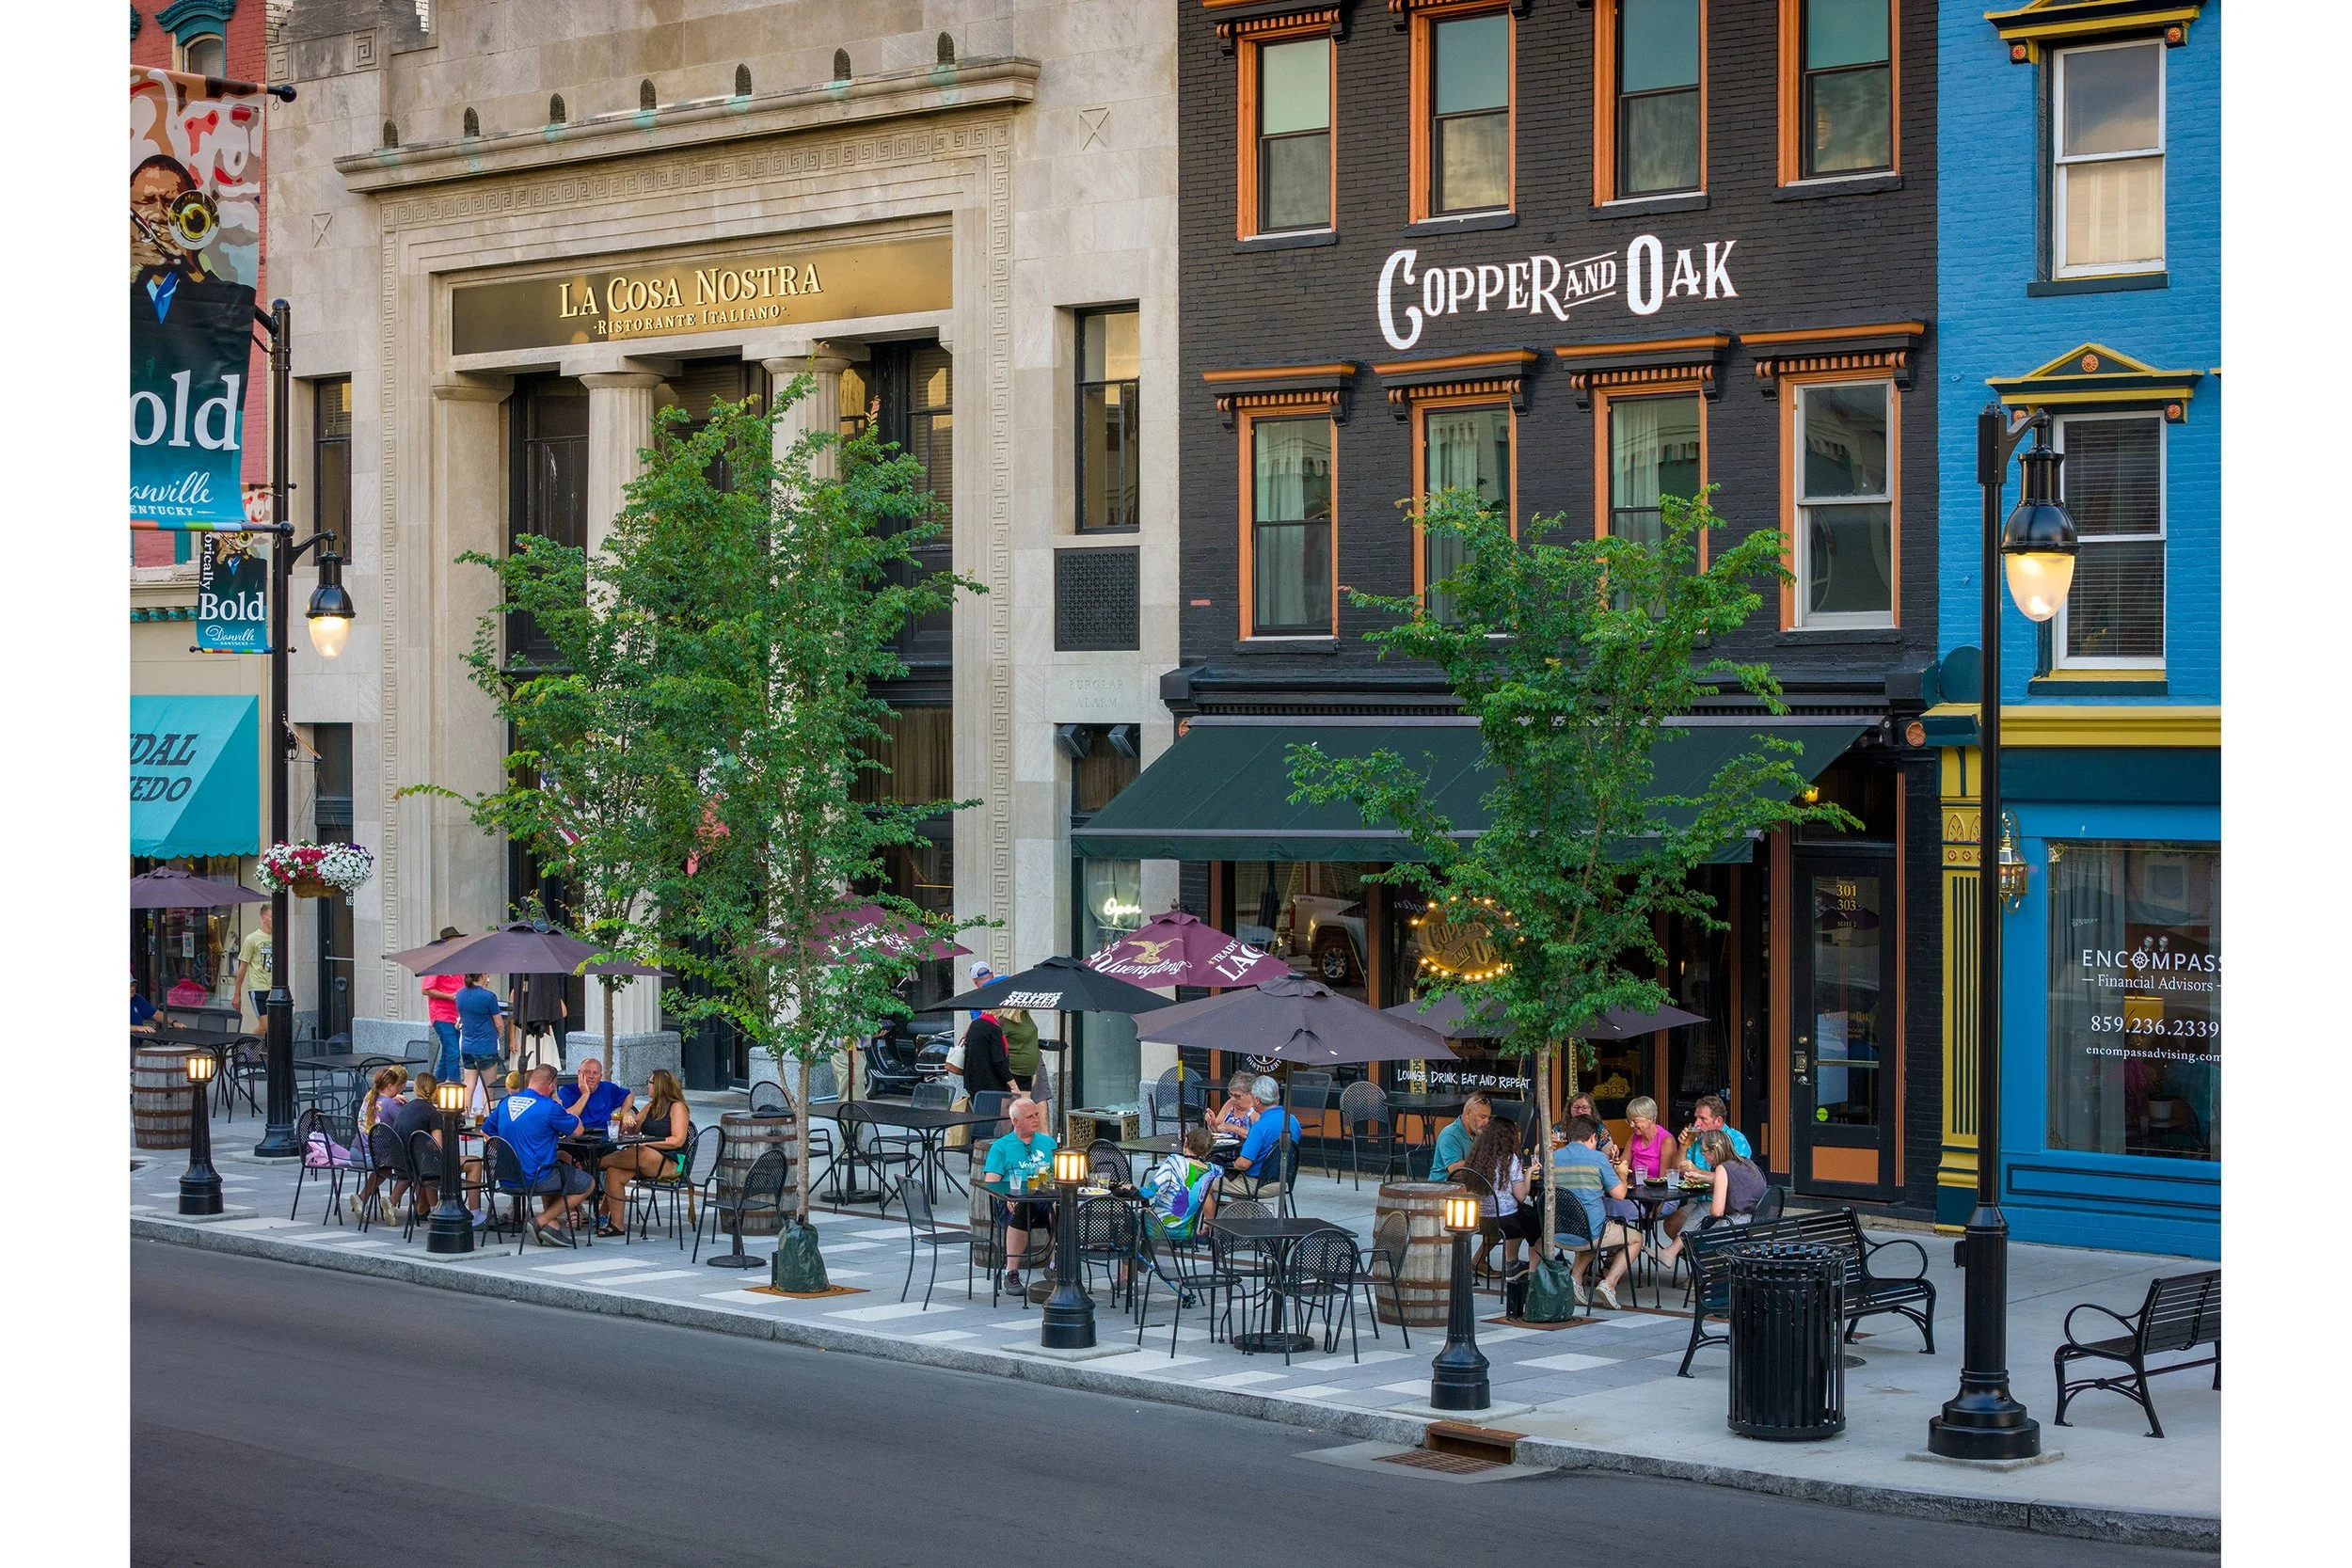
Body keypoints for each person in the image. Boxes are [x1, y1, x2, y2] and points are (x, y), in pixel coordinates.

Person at [483, 1063, 590, 1244]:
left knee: (554, 1167)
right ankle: (540, 1221)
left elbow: (486, 1131)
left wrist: (508, 1152)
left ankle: (552, 1226)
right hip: (535, 1179)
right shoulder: (549, 1107)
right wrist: (566, 1102)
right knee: (588, 1183)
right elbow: (578, 1130)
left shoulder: (506, 1102)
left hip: (505, 1178)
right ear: (552, 1085)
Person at [1551, 1115, 1639, 1309]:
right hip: (1590, 1232)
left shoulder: (1554, 1157)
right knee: (1636, 1238)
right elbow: (1620, 1194)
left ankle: (1575, 1279)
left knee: (1593, 1232)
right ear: (1593, 1137)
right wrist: (1622, 1175)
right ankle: (1609, 1284)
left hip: (1559, 1231)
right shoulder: (1598, 1158)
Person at [599, 1068, 691, 1238]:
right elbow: (633, 1129)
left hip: (672, 1161)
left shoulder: (677, 1107)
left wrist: (648, 1142)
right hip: (646, 1158)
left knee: (640, 1151)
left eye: (649, 1083)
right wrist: (626, 1118)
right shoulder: (650, 1106)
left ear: (659, 1086)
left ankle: (597, 1163)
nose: (647, 1086)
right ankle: (617, 1225)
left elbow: (677, 1140)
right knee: (615, 1172)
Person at [1657, 1131, 1767, 1270]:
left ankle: (1695, 1267)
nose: (1703, 1156)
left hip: (1737, 1224)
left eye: (1704, 1152)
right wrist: (1702, 1179)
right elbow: (1737, 1188)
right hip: (1756, 1221)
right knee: (1703, 1207)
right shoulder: (1747, 1163)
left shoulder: (1723, 1168)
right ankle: (1671, 1252)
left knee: (1700, 1222)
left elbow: (1716, 1212)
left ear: (1713, 1153)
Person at [980, 1097, 1057, 1294]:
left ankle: (1055, 1265)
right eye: (1030, 1116)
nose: (1036, 1120)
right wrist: (1006, 1198)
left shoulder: (1048, 1143)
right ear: (1016, 1122)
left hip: (1044, 1198)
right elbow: (991, 1182)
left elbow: (1060, 1176)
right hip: (1013, 1202)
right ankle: (1011, 1273)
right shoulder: (1001, 1147)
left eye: (1036, 1115)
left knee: (1064, 1208)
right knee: (1022, 1208)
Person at [1665, 1095, 1754, 1242]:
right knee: (1671, 1223)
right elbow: (1677, 1170)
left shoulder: (1736, 1140)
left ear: (1718, 1121)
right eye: (1696, 1118)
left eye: (1703, 1119)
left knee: (1706, 1231)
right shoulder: (1696, 1139)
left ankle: (1702, 1256)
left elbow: (1735, 1180)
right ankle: (1697, 1258)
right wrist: (1683, 1147)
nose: (1697, 1123)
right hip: (1700, 1201)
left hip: (1729, 1205)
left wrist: (1698, 1172)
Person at [1464, 1114, 1537, 1276]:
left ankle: (1486, 1260)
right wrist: (1529, 1173)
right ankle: (1515, 1264)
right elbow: (1521, 1196)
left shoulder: (1476, 1158)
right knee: (1533, 1219)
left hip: (1478, 1219)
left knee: (1513, 1215)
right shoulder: (1510, 1160)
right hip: (1503, 1221)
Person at [1127, 1126, 1221, 1240]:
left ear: (1186, 1142)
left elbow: (1151, 1192)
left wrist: (1129, 1189)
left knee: (1128, 1221)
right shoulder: (1211, 1171)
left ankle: (1135, 1256)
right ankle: (1148, 1256)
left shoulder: (1174, 1162)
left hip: (1160, 1225)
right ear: (1208, 1150)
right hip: (1186, 1231)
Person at [1223, 1076, 1299, 1183]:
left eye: (1252, 1097)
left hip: (1257, 1182)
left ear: (1257, 1101)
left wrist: (1231, 1165)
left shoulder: (1260, 1127)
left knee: (1209, 1182)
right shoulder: (1293, 1121)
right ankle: (1241, 1201)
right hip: (1284, 1180)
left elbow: (1243, 1164)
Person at [453, 974, 508, 1106]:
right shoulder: (489, 996)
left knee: (468, 1085)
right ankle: (486, 1118)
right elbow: (499, 1023)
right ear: (482, 976)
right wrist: (498, 1035)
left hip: (467, 1045)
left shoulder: (460, 994)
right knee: (488, 1088)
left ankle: (466, 1115)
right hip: (486, 1046)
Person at [960, 975, 1016, 1099]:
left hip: (973, 1084)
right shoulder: (993, 1029)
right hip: (990, 1086)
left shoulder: (975, 1024)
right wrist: (1012, 1084)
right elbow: (999, 1061)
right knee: (994, 1117)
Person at [421, 933, 464, 1083]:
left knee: (448, 1052)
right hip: (441, 1014)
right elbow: (426, 989)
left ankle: (435, 1086)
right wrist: (450, 996)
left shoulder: (459, 963)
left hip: (456, 1015)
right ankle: (455, 1086)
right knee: (453, 1052)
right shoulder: (436, 963)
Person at [557, 1055, 632, 1139]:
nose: (591, 1076)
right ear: (579, 1073)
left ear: (601, 1076)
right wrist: (585, 1095)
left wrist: (624, 1114)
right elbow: (566, 1119)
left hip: (604, 1136)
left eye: (595, 1073)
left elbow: (629, 1095)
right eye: (587, 1072)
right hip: (578, 1138)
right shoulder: (567, 1091)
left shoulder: (608, 1088)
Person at [1429, 1091, 1493, 1180]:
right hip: (1443, 1187)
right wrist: (1483, 1160)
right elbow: (1455, 1170)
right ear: (1468, 1114)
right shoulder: (1450, 1134)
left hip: (1469, 1186)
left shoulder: (1479, 1131)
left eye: (1488, 1118)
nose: (1487, 1122)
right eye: (1482, 1117)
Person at [516, 969, 568, 1074]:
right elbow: (514, 1017)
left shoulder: (548, 994)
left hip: (543, 1030)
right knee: (528, 1069)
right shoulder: (519, 992)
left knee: (547, 1066)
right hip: (525, 1031)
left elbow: (563, 1012)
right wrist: (512, 1040)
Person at [234, 908, 273, 1028]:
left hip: (273, 988)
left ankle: (262, 1047)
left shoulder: (278, 937)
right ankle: (246, 1047)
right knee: (265, 1026)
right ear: (264, 918)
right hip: (258, 988)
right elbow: (243, 967)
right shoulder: (252, 939)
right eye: (272, 916)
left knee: (273, 1027)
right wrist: (237, 993)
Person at [999, 1004, 1041, 1092]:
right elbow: (997, 1045)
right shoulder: (1005, 1021)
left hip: (1028, 1071)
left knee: (1025, 1103)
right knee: (1012, 1104)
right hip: (1014, 1071)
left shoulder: (1025, 1014)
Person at [1206, 1073, 1259, 1141]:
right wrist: (1212, 1123)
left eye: (1237, 1096)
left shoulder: (1256, 1110)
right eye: (1231, 1094)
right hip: (1225, 1149)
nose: (1233, 1099)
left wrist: (1232, 1127)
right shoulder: (1230, 1104)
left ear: (1250, 1094)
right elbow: (1217, 1132)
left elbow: (1257, 1136)